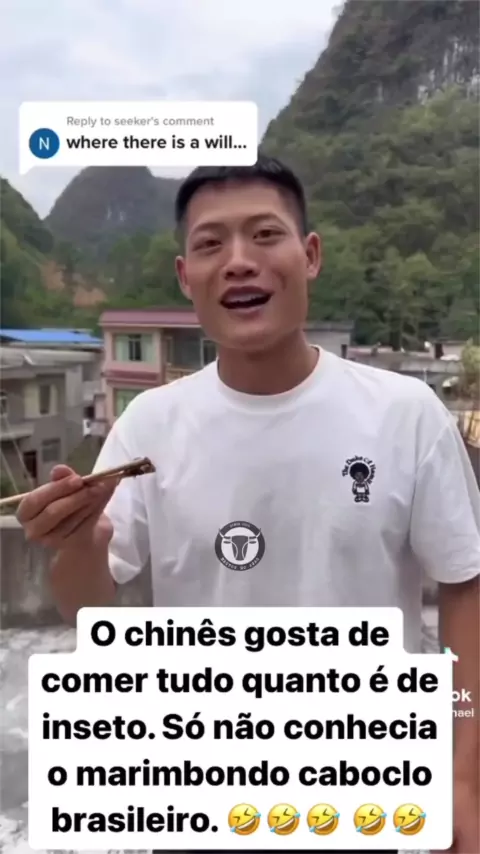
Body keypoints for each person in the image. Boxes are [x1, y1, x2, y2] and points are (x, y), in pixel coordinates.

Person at [18, 156, 479, 854]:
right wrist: (79, 540)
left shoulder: (406, 413)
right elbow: (85, 606)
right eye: (211, 244)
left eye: (265, 234)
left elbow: (464, 585)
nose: (238, 261)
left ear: (310, 255)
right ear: (186, 277)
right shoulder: (150, 423)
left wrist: (463, 774)